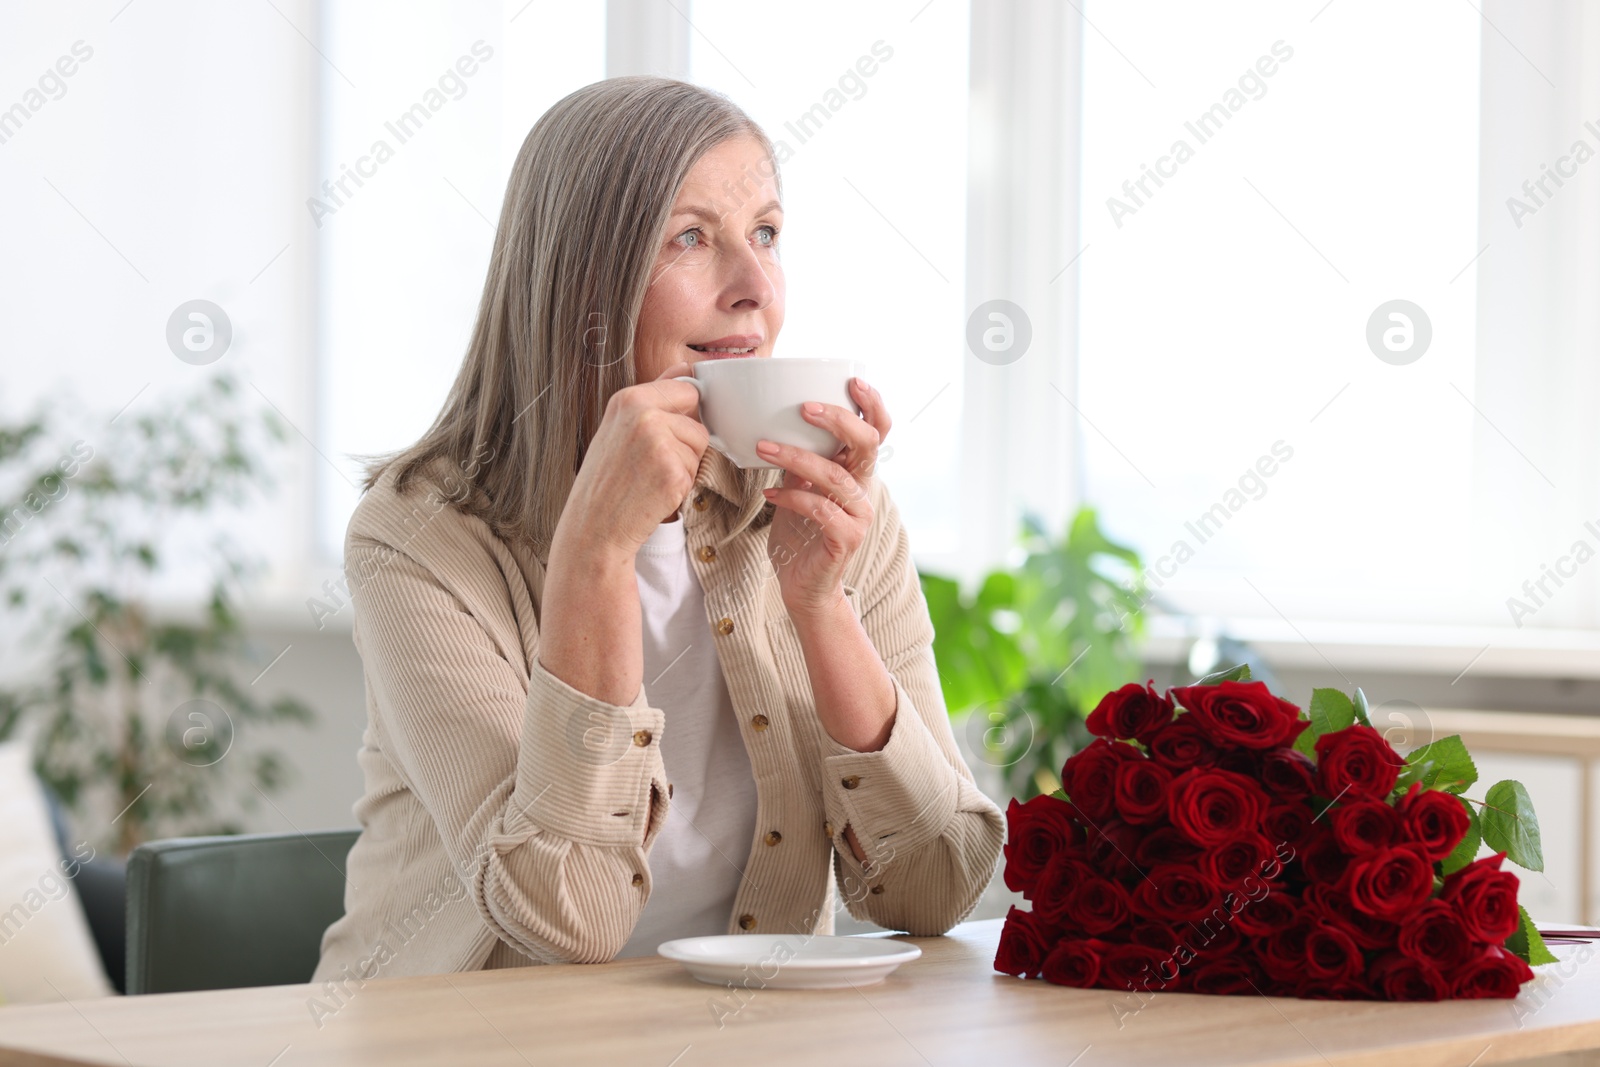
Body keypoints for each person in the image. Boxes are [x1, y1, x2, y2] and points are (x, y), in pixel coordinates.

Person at [312, 76, 1004, 981]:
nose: (756, 287)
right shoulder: (419, 538)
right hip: (460, 1043)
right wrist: (596, 555)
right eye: (690, 237)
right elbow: (568, 918)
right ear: (582, 282)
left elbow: (938, 889)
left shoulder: (825, 510)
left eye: (765, 233)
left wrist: (821, 604)